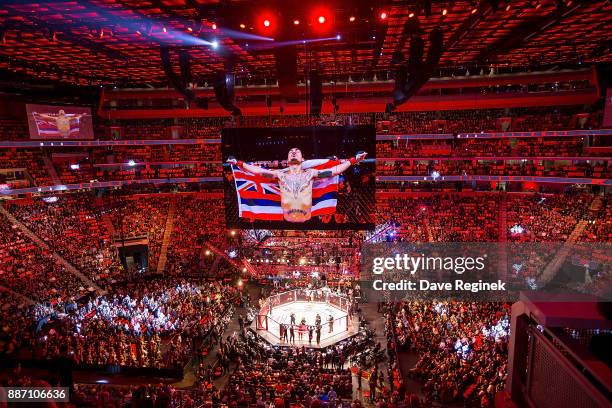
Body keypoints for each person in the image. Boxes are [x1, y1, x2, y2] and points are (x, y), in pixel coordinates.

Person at [227, 149, 367, 222]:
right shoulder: (280, 174)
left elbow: (334, 170)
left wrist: (353, 160)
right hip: (288, 214)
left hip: (304, 213)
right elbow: (259, 172)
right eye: (291, 152)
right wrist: (239, 163)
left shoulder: (311, 173)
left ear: (302, 159)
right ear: (288, 160)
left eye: (296, 152)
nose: (293, 152)